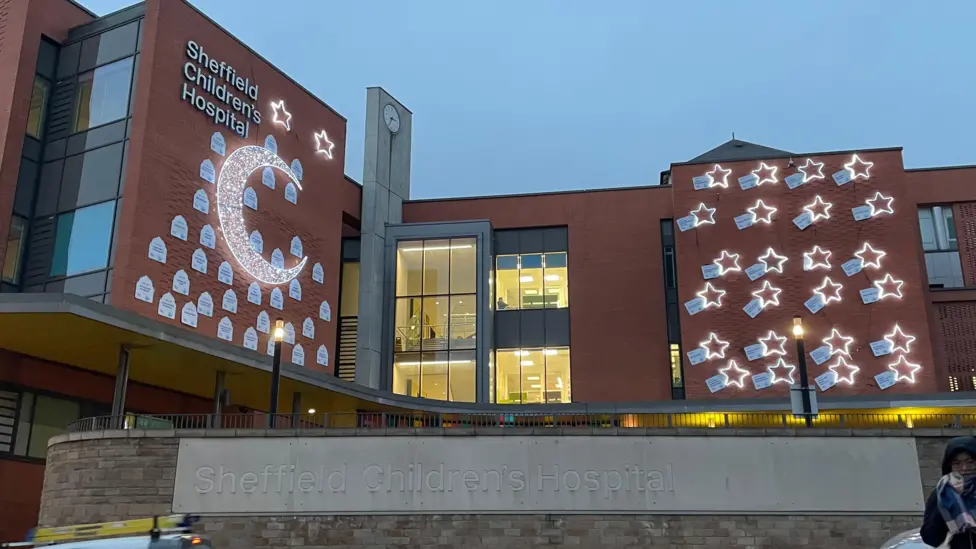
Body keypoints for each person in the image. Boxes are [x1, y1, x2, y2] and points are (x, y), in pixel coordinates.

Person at [921, 437, 976, 548]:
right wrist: (944, 504)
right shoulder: (941, 493)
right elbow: (930, 538)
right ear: (949, 466)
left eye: (970, 462)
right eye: (957, 463)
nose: (964, 468)